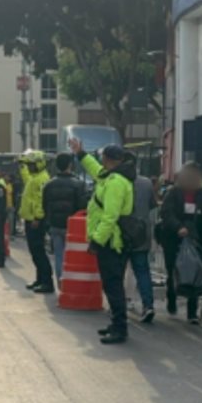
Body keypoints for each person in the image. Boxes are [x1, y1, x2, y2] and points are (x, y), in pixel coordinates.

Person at [69, 138, 135, 344]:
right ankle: (116, 324)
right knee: (111, 285)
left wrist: (97, 241)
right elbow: (95, 169)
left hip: (111, 242)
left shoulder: (115, 183)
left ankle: (120, 327)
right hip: (112, 240)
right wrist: (81, 154)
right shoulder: (112, 177)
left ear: (108, 159)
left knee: (113, 285)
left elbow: (110, 216)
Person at [158, 162, 202, 323]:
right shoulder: (174, 193)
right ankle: (172, 296)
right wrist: (177, 227)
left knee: (197, 273)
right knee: (172, 270)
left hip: (198, 239)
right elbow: (166, 212)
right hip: (174, 239)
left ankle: (192, 311)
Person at [43, 153, 87, 287]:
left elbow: (45, 205)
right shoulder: (79, 184)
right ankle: (72, 283)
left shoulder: (49, 184)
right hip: (73, 227)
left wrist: (49, 221)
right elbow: (82, 207)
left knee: (58, 255)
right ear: (70, 165)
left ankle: (61, 282)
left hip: (55, 225)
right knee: (73, 256)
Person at [19, 150, 54, 293]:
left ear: (40, 164)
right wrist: (22, 166)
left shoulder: (42, 179)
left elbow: (40, 200)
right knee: (35, 252)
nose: (30, 167)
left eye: (31, 164)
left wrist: (38, 217)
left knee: (38, 251)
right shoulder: (35, 177)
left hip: (36, 220)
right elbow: (27, 179)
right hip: (30, 219)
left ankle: (47, 282)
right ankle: (40, 279)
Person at [128, 171, 158, 322]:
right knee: (142, 270)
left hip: (122, 231)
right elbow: (153, 205)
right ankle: (148, 305)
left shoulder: (115, 180)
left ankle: (119, 304)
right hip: (141, 232)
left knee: (117, 270)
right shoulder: (146, 182)